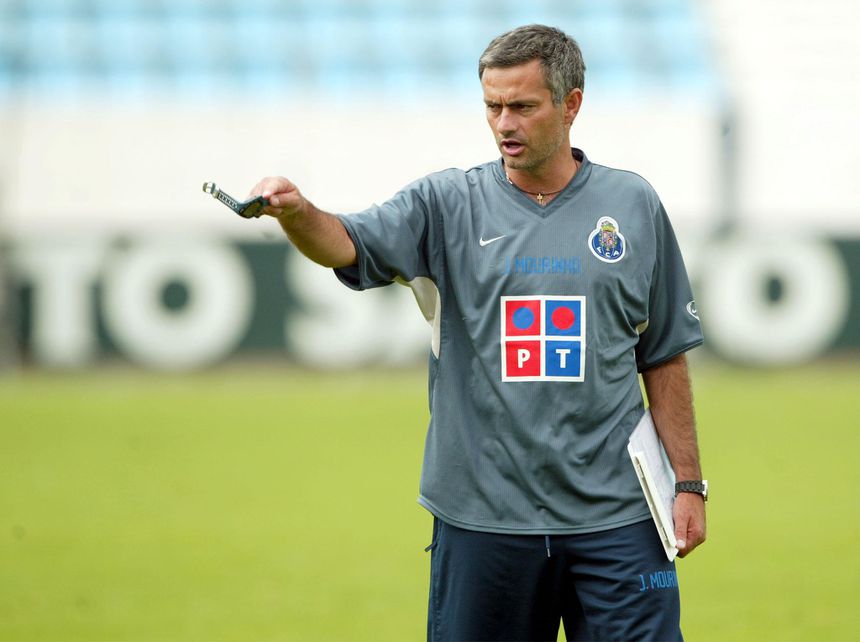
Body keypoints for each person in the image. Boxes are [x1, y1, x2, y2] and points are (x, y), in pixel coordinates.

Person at [248, 24, 706, 642]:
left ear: (571, 105)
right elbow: (346, 243)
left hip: (618, 519)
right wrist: (298, 214)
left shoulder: (633, 205)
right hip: (484, 520)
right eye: (492, 106)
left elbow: (664, 353)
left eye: (522, 106)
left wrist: (687, 484)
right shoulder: (445, 204)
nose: (503, 124)